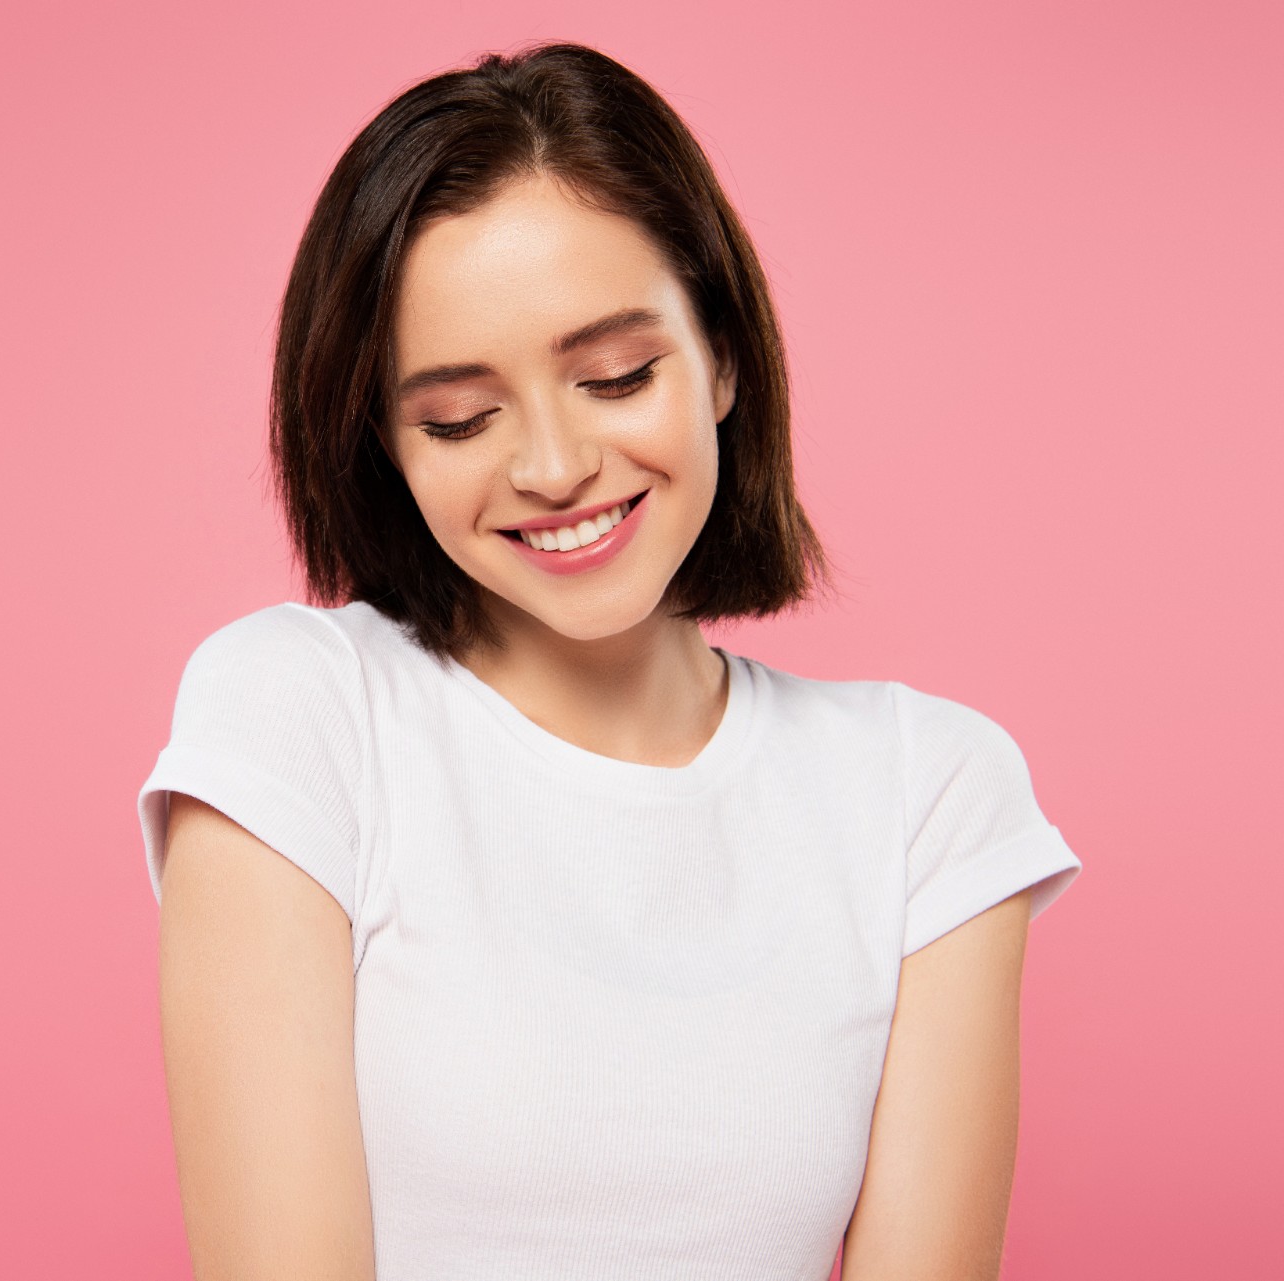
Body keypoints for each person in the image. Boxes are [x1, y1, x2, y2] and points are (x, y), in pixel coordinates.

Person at [135, 41, 1082, 1281]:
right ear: (386, 447)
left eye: (616, 376)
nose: (552, 466)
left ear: (723, 355)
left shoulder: (927, 790)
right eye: (459, 420)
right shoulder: (301, 714)